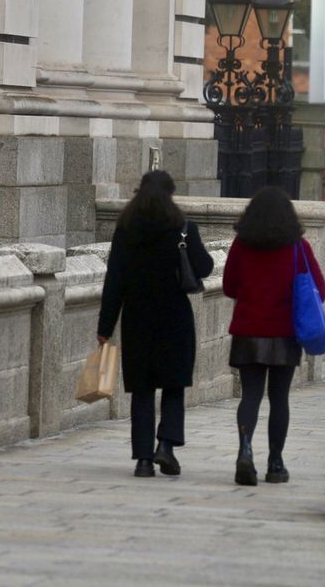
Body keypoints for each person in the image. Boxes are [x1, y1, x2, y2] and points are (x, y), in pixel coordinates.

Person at [97, 170, 214, 478]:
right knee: (174, 385)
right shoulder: (183, 229)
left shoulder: (126, 230)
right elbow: (204, 267)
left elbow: (115, 281)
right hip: (175, 318)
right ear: (171, 195)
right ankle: (167, 445)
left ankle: (144, 460)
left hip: (137, 319)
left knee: (143, 389)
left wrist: (105, 327)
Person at [223, 186, 325, 486]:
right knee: (279, 398)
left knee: (250, 396)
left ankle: (245, 449)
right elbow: (318, 287)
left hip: (248, 331)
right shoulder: (297, 247)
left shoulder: (241, 245)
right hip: (284, 333)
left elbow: (229, 286)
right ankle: (276, 462)